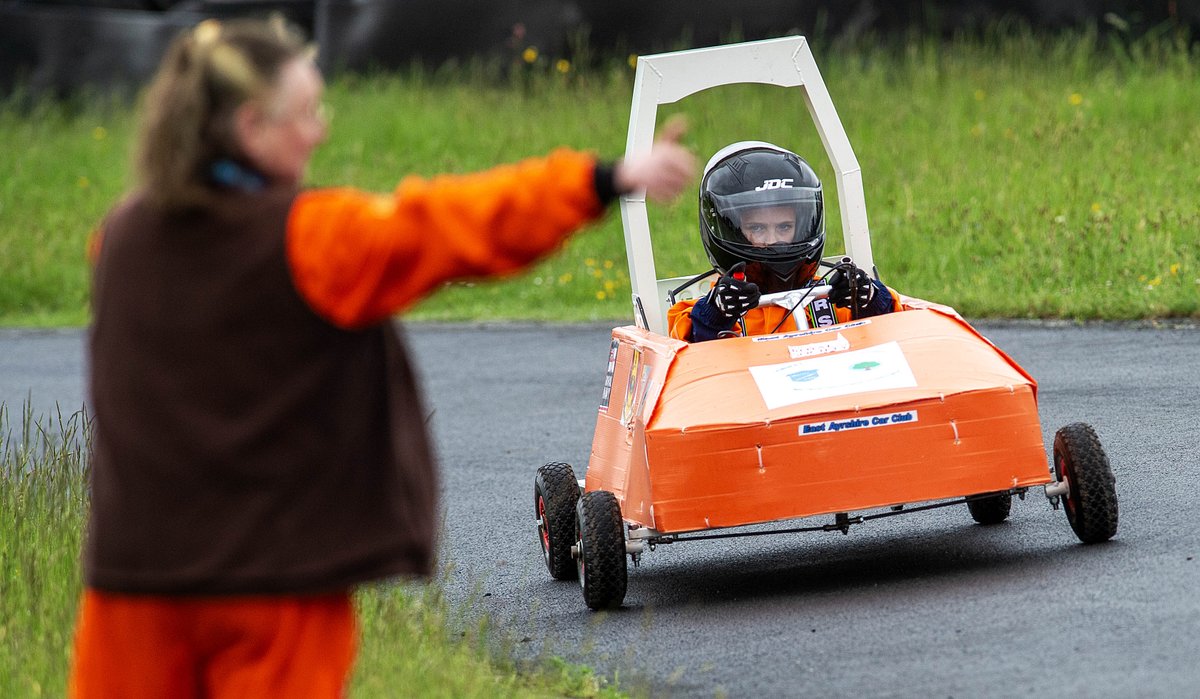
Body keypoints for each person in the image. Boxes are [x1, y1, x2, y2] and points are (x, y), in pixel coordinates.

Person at [69, 17, 695, 699]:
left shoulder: (118, 242)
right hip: (273, 590)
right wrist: (601, 179)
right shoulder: (311, 241)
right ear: (251, 128)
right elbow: (445, 226)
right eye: (307, 113)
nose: (321, 130)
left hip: (131, 586)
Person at [668, 141, 900, 342]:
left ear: (801, 227)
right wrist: (717, 313)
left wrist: (868, 296)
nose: (773, 241)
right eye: (757, 228)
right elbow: (688, 344)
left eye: (784, 227)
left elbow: (894, 324)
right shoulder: (709, 309)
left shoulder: (830, 297)